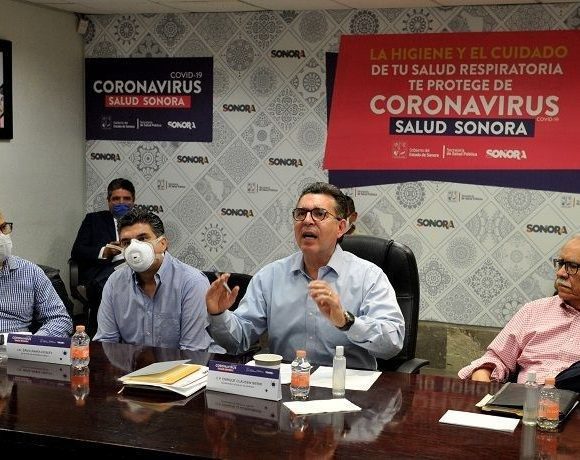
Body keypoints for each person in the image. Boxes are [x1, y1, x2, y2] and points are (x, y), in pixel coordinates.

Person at [206, 182, 405, 370]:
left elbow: (393, 343)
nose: (307, 221)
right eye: (301, 213)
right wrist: (219, 315)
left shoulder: (369, 277)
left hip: (347, 386)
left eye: (319, 214)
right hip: (286, 384)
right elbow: (238, 342)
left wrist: (346, 321)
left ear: (340, 227)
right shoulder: (270, 276)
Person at [458, 234, 580, 384]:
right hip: (526, 396)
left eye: (572, 266)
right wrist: (483, 372)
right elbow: (497, 359)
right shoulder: (533, 311)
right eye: (560, 264)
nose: (560, 273)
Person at [94, 208, 215, 351]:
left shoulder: (192, 282)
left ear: (162, 244)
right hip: (131, 364)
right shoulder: (115, 282)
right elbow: (106, 342)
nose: (134, 248)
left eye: (142, 239)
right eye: (126, 242)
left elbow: (192, 350)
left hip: (180, 363)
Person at [71, 178, 135, 335]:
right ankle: (100, 334)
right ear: (108, 201)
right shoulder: (93, 220)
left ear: (133, 201)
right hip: (103, 271)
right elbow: (77, 251)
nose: (121, 203)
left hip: (134, 268)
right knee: (107, 285)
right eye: (116, 199)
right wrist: (104, 251)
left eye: (126, 199)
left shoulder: (142, 223)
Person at [0, 210, 73, 337]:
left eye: (3, 228)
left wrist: (34, 342)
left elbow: (60, 320)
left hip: (17, 345)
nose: (1, 236)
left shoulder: (30, 272)